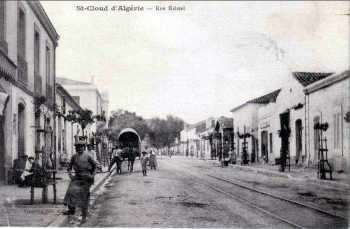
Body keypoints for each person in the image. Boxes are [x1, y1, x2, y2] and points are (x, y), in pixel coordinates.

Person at [63, 139, 97, 224]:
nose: (79, 149)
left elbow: (95, 166)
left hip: (86, 178)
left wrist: (92, 175)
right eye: (77, 147)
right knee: (71, 191)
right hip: (77, 177)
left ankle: (84, 216)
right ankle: (71, 210)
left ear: (84, 147)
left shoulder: (88, 156)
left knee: (83, 197)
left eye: (81, 147)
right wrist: (70, 175)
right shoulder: (74, 156)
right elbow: (69, 167)